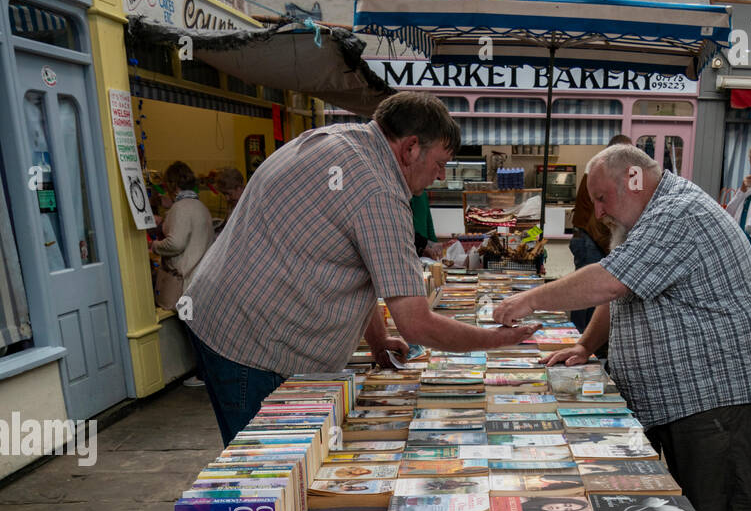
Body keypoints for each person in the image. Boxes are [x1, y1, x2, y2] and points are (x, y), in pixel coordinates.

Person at [185, 92, 535, 444]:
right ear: (411, 148)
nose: (441, 176)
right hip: (253, 345)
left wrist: (378, 338)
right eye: (440, 163)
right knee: (268, 469)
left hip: (221, 314)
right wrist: (495, 339)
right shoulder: (378, 191)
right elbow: (416, 324)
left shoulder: (339, 139)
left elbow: (352, 261)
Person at [494, 144, 751, 511]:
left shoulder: (678, 213)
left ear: (634, 179)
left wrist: (531, 299)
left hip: (723, 395)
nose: (598, 212)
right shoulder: (646, 219)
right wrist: (585, 345)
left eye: (601, 198)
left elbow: (610, 281)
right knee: (685, 505)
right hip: (689, 397)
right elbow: (622, 294)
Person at [568, 134, 632, 334]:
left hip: (587, 239)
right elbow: (598, 222)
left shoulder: (599, 170)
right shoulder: (600, 173)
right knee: (588, 295)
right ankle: (581, 341)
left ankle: (584, 341)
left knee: (589, 295)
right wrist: (614, 250)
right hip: (590, 241)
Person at [153, 161, 215, 310]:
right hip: (201, 282)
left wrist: (155, 246)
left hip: (185, 287)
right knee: (198, 329)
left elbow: (176, 244)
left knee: (189, 329)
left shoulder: (180, 207)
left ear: (172, 185)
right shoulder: (200, 206)